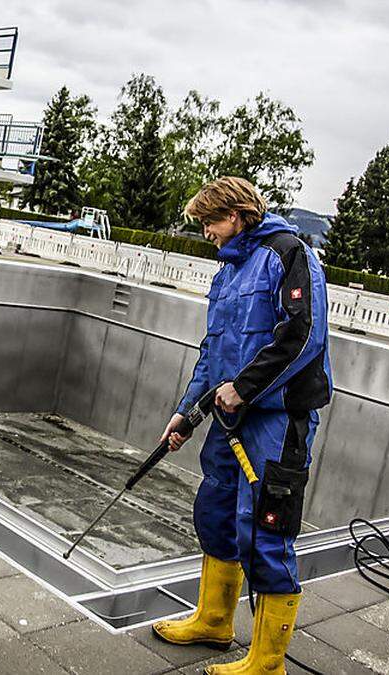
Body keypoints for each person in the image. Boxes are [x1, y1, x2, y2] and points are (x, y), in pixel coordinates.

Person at [152, 177, 332, 674]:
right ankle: (214, 621)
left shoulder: (289, 254)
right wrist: (188, 413)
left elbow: (303, 336)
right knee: (216, 514)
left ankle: (268, 662)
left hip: (275, 423)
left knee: (266, 533)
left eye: (209, 221)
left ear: (234, 215)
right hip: (229, 424)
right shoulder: (228, 272)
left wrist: (245, 388)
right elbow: (214, 351)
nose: (205, 231)